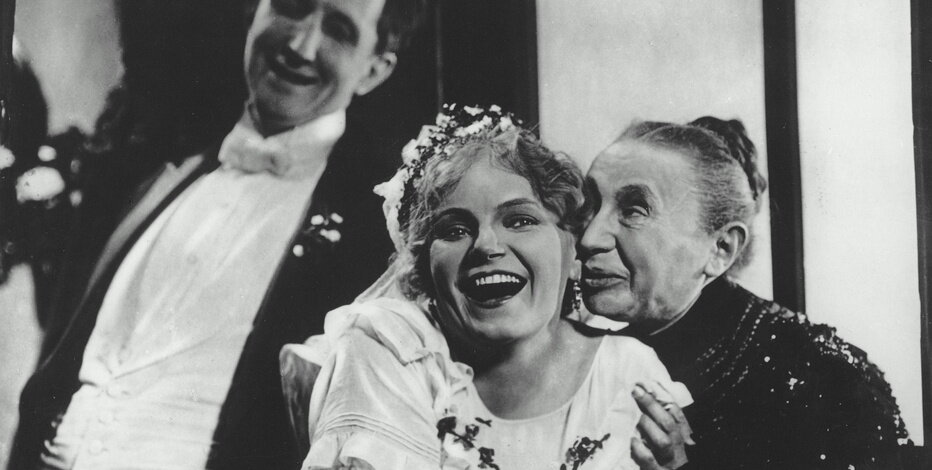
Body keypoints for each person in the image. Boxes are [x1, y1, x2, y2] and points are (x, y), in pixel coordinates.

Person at [9, 0, 425, 468]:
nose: (300, 44)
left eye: (339, 30)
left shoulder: (376, 238)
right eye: (292, 6)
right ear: (256, 10)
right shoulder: (151, 157)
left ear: (374, 69)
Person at [280, 105, 693, 470]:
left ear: (572, 251)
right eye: (454, 230)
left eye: (520, 220)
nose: (486, 246)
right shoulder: (388, 345)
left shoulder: (628, 372)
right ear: (423, 270)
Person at [580, 117, 911, 469]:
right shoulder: (586, 356)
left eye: (633, 210)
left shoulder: (826, 380)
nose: (588, 238)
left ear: (720, 248)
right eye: (591, 206)